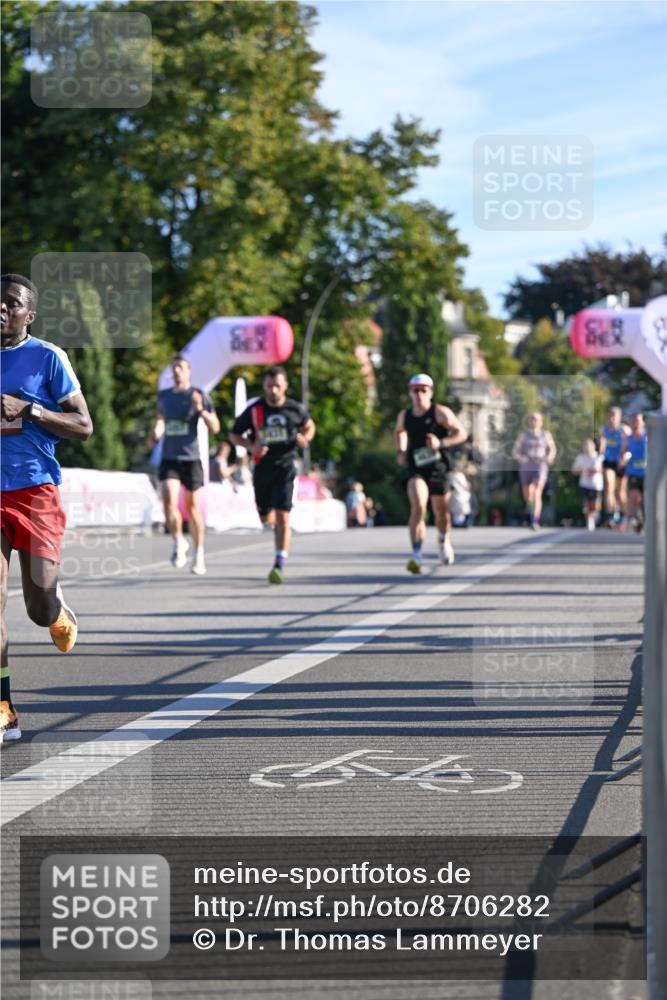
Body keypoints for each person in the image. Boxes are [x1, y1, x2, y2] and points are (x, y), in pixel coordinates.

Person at [1, 273, 93, 743]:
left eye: (11, 303)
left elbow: (83, 425)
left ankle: (56, 611)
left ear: (28, 315)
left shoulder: (47, 357)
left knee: (37, 605)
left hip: (35, 491)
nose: (1, 309)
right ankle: (4, 710)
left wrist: (29, 410)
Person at [230, 365, 316, 584]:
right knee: (266, 517)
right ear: (265, 387)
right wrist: (252, 447)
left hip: (286, 466)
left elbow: (310, 426)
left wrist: (306, 439)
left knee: (283, 517)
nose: (274, 390)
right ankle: (270, 524)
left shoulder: (294, 408)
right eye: (269, 386)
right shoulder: (255, 410)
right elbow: (234, 434)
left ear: (285, 385)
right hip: (262, 468)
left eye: (277, 385)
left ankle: (279, 563)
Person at [148, 354, 220, 575]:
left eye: (180, 367)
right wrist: (156, 433)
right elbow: (161, 420)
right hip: (170, 457)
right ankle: (179, 542)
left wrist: (201, 410)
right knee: (168, 501)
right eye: (174, 368)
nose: (176, 371)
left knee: (192, 508)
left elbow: (215, 427)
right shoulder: (164, 396)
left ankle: (199, 554)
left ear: (189, 371)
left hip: (192, 458)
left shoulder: (198, 395)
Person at [395, 373, 467, 573]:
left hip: (438, 468)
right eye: (415, 391)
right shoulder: (405, 416)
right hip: (416, 468)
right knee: (418, 507)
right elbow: (400, 432)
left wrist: (441, 443)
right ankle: (416, 556)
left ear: (430, 392)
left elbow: (461, 433)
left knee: (441, 512)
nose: (418, 395)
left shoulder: (440, 413)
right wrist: (401, 450)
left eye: (423, 390)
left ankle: (443, 540)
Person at [511, 412, 557, 530]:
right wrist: (520, 458)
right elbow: (515, 450)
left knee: (537, 493)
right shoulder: (524, 435)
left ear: (541, 422)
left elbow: (552, 448)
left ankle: (534, 520)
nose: (534, 421)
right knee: (528, 495)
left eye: (536, 419)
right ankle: (531, 511)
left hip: (540, 465)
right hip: (526, 466)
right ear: (529, 421)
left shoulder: (545, 435)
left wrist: (550, 457)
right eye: (532, 419)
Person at [618, 413, 647, 533]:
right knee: (634, 498)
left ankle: (643, 520)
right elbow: (622, 455)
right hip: (633, 473)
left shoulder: (648, 436)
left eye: (638, 421)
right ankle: (635, 519)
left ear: (642, 422)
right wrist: (622, 460)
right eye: (633, 421)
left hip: (647, 473)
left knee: (644, 500)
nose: (636, 423)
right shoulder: (628, 439)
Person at [600, 406, 627, 527]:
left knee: (620, 492)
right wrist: (600, 450)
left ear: (619, 418)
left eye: (614, 416)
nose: (612, 419)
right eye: (610, 416)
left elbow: (631, 448)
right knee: (609, 487)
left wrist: (624, 458)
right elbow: (602, 445)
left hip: (622, 462)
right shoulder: (604, 430)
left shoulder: (624, 430)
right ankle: (611, 515)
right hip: (609, 461)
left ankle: (623, 515)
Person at [571, 438, 603, 531]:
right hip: (584, 484)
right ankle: (589, 520)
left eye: (589, 446)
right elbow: (574, 470)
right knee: (586, 503)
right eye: (585, 446)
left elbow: (603, 469)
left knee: (595, 504)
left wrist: (596, 471)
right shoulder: (580, 457)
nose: (587, 448)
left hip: (596, 484)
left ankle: (595, 514)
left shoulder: (598, 457)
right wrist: (581, 470)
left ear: (593, 446)